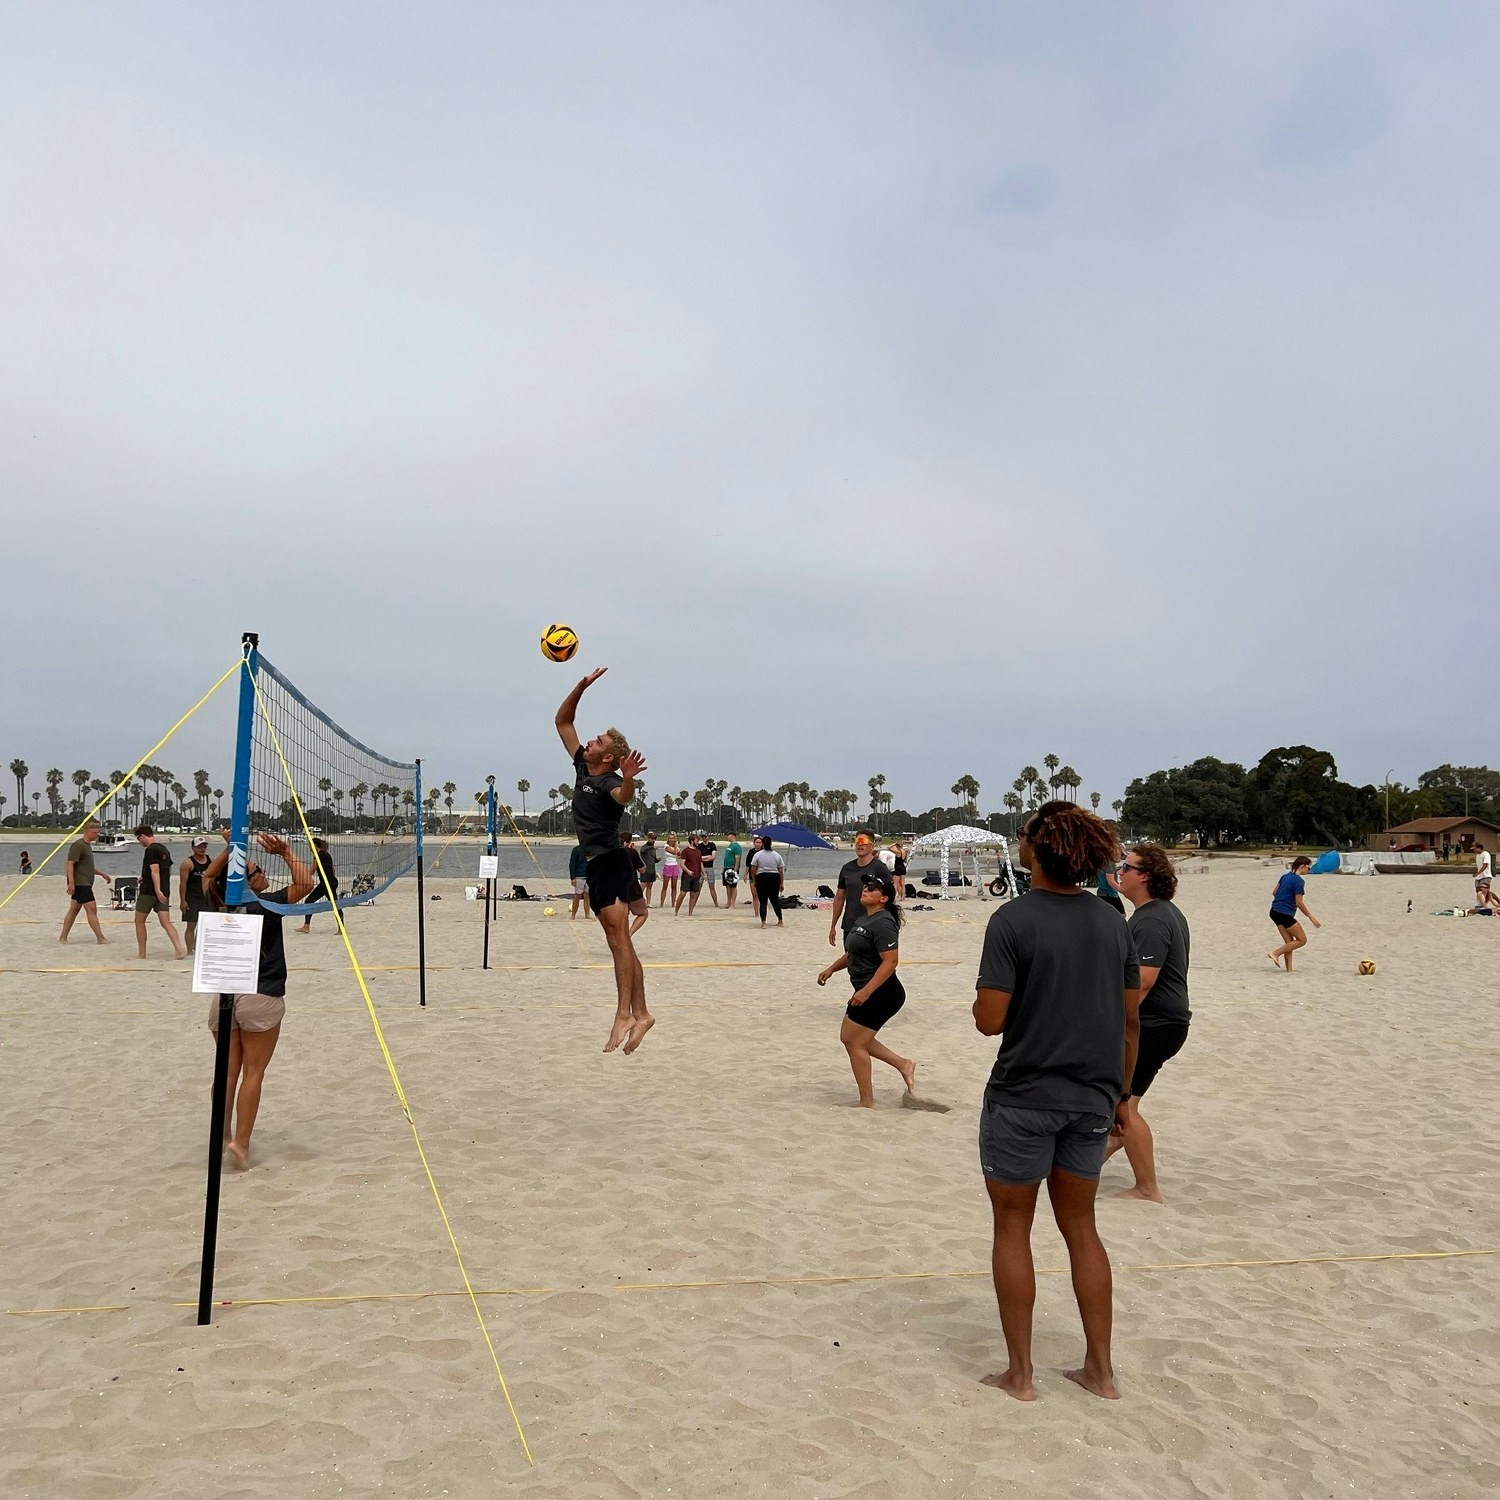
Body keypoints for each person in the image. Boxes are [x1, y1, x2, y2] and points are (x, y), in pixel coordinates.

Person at [972, 801, 1141, 1402]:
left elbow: (989, 1021)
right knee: (1082, 1229)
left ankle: (1021, 1375)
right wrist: (1122, 1096)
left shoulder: (1012, 919)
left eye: (1024, 836)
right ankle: (1100, 1372)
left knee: (1013, 1229)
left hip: (1024, 1093)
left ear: (1039, 849)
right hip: (1093, 1095)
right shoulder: (1111, 922)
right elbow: (1129, 1023)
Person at [200, 829, 315, 1169]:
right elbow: (306, 886)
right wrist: (286, 852)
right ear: (244, 880)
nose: (263, 875)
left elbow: (208, 875)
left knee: (227, 1072)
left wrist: (232, 847)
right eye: (257, 871)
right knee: (253, 1073)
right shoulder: (265, 904)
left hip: (224, 994)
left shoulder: (218, 900)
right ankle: (241, 1143)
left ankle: (221, 1135)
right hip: (260, 995)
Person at [555, 667, 654, 1053]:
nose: (590, 741)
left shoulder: (610, 781)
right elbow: (563, 721)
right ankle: (641, 1013)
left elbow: (624, 798)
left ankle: (625, 1013)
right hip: (599, 864)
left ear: (609, 756)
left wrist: (628, 777)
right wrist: (580, 686)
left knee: (618, 942)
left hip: (612, 861)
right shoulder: (583, 764)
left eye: (598, 740)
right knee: (622, 943)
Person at [1110, 844, 1190, 1203]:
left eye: (1127, 866)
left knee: (1125, 1106)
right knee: (1118, 1103)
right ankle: (1082, 1167)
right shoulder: (1156, 913)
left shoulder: (1153, 919)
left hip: (1156, 1024)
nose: (1120, 870)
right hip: (1163, 1023)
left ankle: (1146, 1188)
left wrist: (1113, 1025)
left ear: (1145, 876)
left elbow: (1143, 981)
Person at [817, 869, 916, 1106]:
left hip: (883, 991)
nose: (866, 889)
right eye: (865, 886)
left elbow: (890, 962)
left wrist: (866, 991)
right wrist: (831, 969)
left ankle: (867, 1101)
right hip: (870, 989)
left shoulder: (883, 922)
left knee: (852, 1041)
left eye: (872, 888)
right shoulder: (863, 919)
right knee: (855, 1039)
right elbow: (852, 953)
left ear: (884, 898)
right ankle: (904, 1064)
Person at [133, 824, 186, 960]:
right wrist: (161, 887)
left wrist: (157, 890)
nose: (140, 842)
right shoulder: (164, 849)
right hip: (165, 890)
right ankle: (179, 950)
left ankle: (142, 953)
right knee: (166, 922)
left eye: (139, 839)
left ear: (143, 836)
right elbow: (166, 871)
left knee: (139, 921)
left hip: (150, 892)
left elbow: (154, 870)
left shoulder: (151, 850)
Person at [829, 829, 887, 949]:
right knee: (851, 962)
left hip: (872, 925)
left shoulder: (880, 868)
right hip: (850, 925)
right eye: (857, 841)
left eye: (863, 841)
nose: (859, 844)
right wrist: (833, 926)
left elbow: (888, 897)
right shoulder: (847, 869)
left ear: (872, 846)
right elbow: (839, 898)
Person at [59, 817, 112, 944]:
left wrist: (101, 874)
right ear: (87, 831)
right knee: (91, 908)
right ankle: (100, 938)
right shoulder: (78, 845)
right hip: (80, 883)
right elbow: (70, 863)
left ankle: (63, 937)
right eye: (95, 832)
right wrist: (71, 882)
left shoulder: (87, 846)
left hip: (86, 882)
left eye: (98, 832)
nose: (97, 834)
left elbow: (86, 866)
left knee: (74, 910)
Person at [1267, 856, 1320, 970]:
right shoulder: (1299, 881)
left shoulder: (1285, 876)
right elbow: (1299, 902)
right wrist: (1311, 917)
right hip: (1284, 914)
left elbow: (1275, 892)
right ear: (1302, 866)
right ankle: (1275, 953)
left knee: (1289, 942)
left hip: (1274, 911)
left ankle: (1289, 970)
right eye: (1308, 868)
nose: (1308, 870)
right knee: (1302, 940)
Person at [293, 837, 338, 935]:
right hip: (327, 883)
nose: (309, 848)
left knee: (335, 905)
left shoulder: (319, 855)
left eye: (310, 846)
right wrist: (332, 880)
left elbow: (312, 870)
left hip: (328, 884)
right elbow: (333, 870)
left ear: (314, 846)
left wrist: (302, 879)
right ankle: (306, 926)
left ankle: (341, 928)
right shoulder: (327, 855)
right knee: (309, 901)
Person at [180, 836, 213, 953]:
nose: (202, 848)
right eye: (199, 846)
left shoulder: (211, 862)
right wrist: (182, 901)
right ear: (193, 848)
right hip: (192, 898)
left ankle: (196, 945)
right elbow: (183, 884)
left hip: (207, 898)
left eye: (204, 846)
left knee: (204, 925)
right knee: (191, 926)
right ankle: (189, 950)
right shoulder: (187, 863)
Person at [749, 836, 785, 926]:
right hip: (774, 878)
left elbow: (753, 869)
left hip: (762, 877)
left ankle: (764, 923)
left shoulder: (757, 855)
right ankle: (780, 921)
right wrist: (781, 883)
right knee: (775, 900)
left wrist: (754, 880)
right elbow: (781, 871)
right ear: (771, 843)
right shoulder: (777, 855)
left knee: (763, 901)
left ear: (763, 844)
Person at [622, 833, 649, 936]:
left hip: (615, 888)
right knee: (643, 913)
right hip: (632, 888)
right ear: (629, 841)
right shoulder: (632, 853)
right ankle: (629, 933)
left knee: (623, 914)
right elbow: (643, 869)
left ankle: (623, 934)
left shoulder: (611, 853)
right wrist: (636, 852)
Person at [676, 836, 705, 915]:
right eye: (696, 841)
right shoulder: (686, 851)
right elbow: (682, 864)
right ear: (692, 841)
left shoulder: (698, 851)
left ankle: (690, 912)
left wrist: (704, 873)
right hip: (687, 876)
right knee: (683, 893)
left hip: (697, 875)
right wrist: (687, 871)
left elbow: (701, 863)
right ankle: (676, 911)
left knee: (694, 894)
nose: (698, 842)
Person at [568, 841, 591, 920]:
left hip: (589, 876)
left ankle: (587, 915)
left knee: (587, 896)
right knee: (577, 896)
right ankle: (573, 915)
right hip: (579, 876)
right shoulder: (576, 850)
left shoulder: (591, 850)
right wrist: (572, 877)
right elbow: (572, 864)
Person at [697, 832, 721, 908]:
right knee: (698, 887)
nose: (704, 838)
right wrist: (707, 857)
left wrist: (703, 859)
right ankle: (693, 902)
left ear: (708, 837)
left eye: (705, 836)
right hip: (700, 868)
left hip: (710, 868)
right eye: (702, 836)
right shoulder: (699, 846)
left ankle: (716, 903)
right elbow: (698, 858)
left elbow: (713, 857)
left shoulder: (712, 845)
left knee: (712, 887)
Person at [658, 834, 682, 909]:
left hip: (674, 866)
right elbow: (674, 852)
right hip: (668, 866)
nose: (671, 840)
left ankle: (673, 903)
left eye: (673, 838)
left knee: (674, 886)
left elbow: (679, 855)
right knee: (665, 886)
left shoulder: (677, 847)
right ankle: (661, 903)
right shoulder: (666, 846)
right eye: (670, 838)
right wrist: (676, 846)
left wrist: (678, 852)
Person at [722, 835, 744, 908]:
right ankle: (728, 902)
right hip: (726, 867)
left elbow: (738, 859)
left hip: (732, 868)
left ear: (732, 836)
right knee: (728, 886)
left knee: (733, 886)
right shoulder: (730, 845)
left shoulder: (736, 846)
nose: (727, 837)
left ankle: (733, 904)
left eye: (728, 836)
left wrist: (735, 870)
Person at [638, 832, 660, 903]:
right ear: (648, 838)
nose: (653, 840)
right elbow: (642, 850)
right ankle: (638, 900)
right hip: (645, 870)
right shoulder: (645, 847)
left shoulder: (653, 848)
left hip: (652, 870)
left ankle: (648, 902)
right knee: (643, 885)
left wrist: (657, 860)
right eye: (652, 839)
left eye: (654, 839)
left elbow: (653, 859)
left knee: (650, 886)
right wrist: (652, 847)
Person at [1475, 842, 1496, 912]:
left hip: (1485, 876)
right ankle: (1481, 903)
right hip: (1478, 877)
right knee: (1478, 891)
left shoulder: (1486, 854)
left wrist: (1477, 873)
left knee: (1485, 891)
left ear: (1479, 848)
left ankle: (1485, 905)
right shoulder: (1477, 856)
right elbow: (1479, 866)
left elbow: (1485, 865)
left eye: (1475, 849)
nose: (1474, 851)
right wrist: (1477, 874)